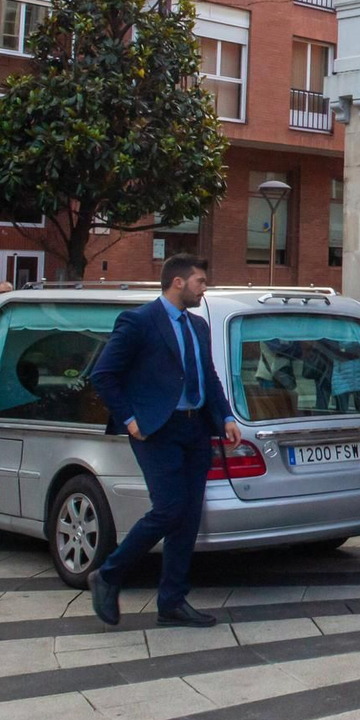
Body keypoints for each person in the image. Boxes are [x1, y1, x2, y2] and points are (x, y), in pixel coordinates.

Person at [86, 255, 241, 628]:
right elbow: (103, 374)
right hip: (157, 430)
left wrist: (226, 417)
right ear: (177, 282)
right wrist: (130, 420)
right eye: (200, 282)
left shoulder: (199, 326)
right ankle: (107, 575)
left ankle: (172, 601)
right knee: (169, 509)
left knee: (188, 518)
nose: (204, 289)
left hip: (197, 429)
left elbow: (208, 377)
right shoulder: (139, 322)